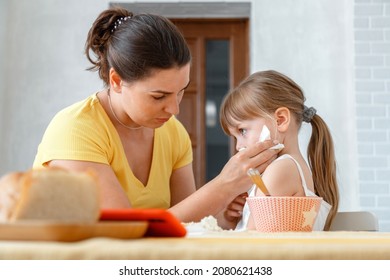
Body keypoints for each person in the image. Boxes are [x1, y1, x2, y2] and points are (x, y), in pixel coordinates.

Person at [33, 7, 280, 226]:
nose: (174, 110)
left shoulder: (173, 133)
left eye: (181, 92)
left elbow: (184, 222)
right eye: (159, 96)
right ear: (117, 81)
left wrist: (222, 213)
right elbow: (123, 233)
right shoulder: (75, 130)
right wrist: (222, 187)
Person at [220, 70, 339, 231]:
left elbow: (250, 243)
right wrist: (233, 219)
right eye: (235, 137)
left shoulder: (281, 169)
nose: (238, 146)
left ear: (280, 120)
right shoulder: (285, 168)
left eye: (242, 131)